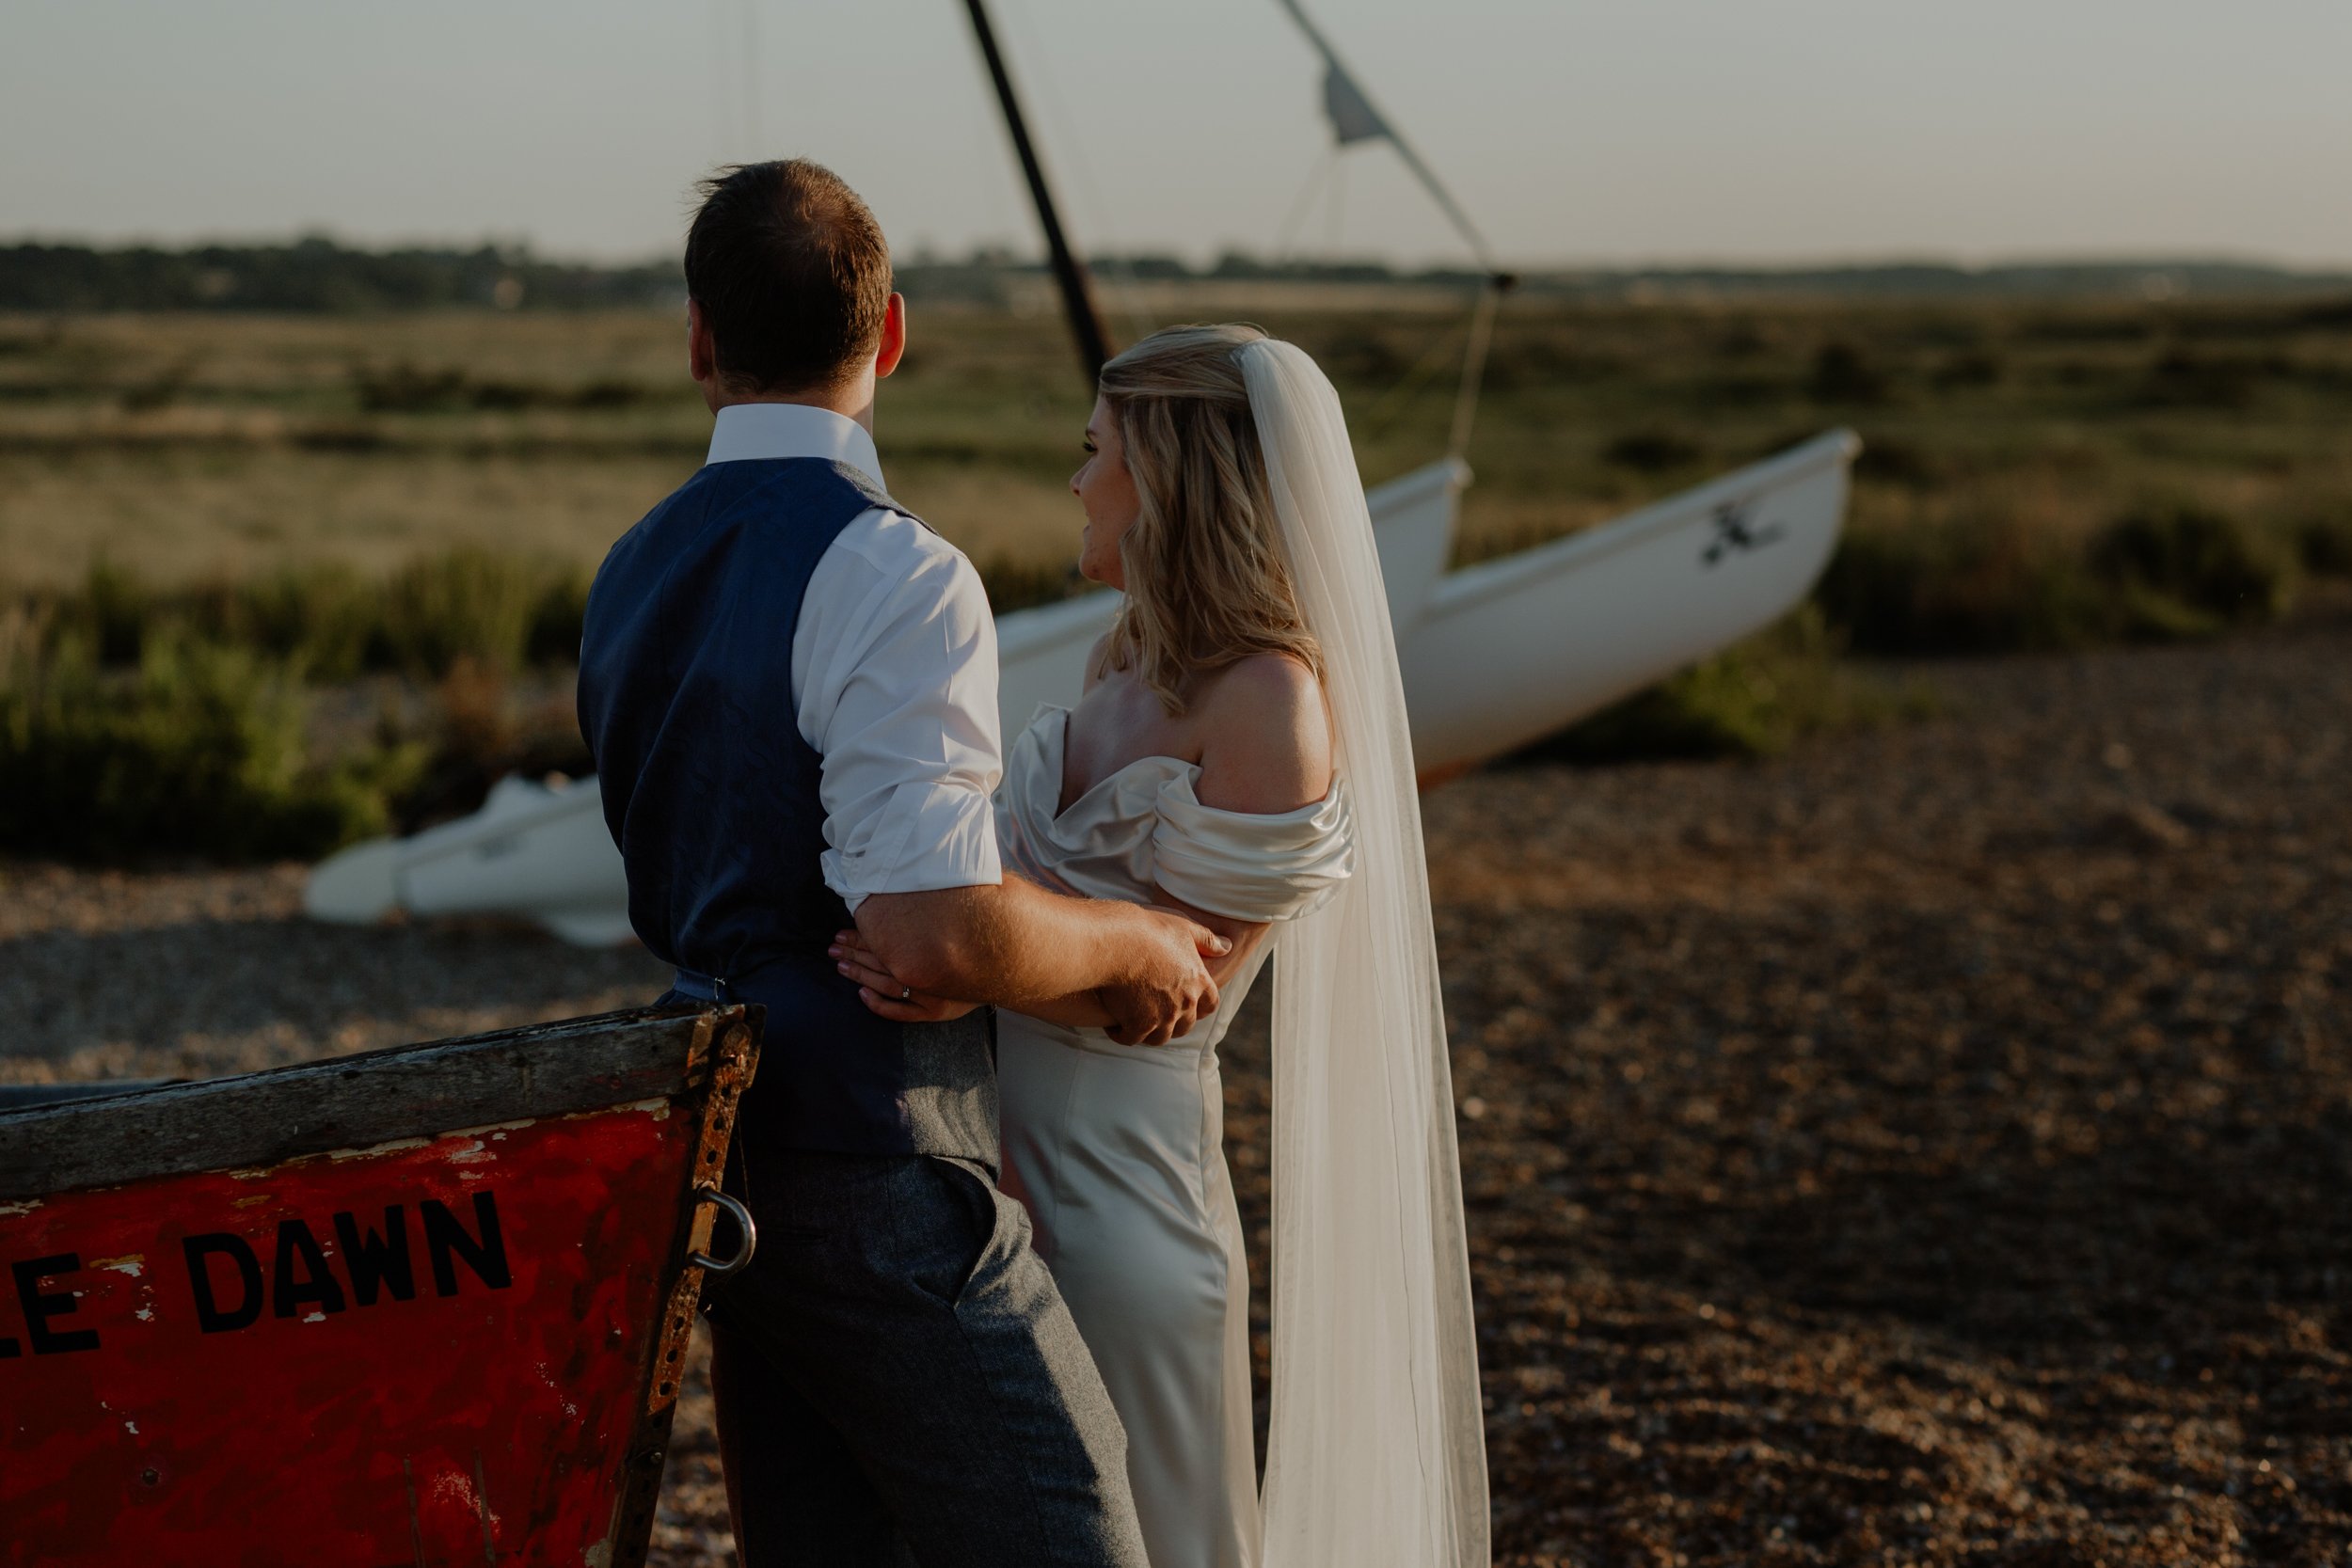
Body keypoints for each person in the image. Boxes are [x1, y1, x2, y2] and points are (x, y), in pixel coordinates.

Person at [576, 160, 1232, 1568]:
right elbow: (928, 932)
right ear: (891, 335)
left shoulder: (628, 567)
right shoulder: (897, 572)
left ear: (700, 343)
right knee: (1076, 1538)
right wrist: (1131, 947)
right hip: (875, 1160)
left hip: (709, 1145)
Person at [834, 325, 1493, 1568]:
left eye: (1095, 453)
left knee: (1157, 1536)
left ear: (1169, 475)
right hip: (996, 1161)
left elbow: (1184, 987)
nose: (1076, 482)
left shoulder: (1273, 702)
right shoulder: (1119, 655)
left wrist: (968, 969)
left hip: (1122, 1193)